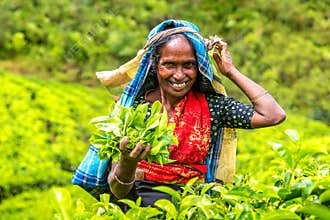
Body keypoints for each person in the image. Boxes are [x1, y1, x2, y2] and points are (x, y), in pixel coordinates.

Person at [72, 19, 286, 209]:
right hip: (139, 209)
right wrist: (128, 162)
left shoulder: (213, 107)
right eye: (170, 65)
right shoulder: (134, 109)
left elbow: (273, 115)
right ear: (155, 66)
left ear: (198, 67)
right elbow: (118, 190)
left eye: (188, 65)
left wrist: (230, 71)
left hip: (193, 206)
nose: (179, 75)